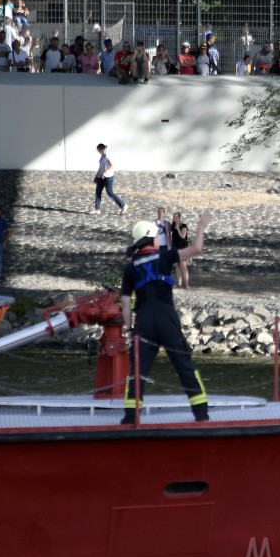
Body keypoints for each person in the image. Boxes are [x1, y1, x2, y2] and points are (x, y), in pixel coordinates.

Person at [120, 213, 214, 424]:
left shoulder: (130, 268)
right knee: (183, 365)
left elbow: (125, 303)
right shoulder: (165, 256)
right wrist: (200, 227)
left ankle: (129, 418)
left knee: (138, 371)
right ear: (153, 239)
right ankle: (201, 416)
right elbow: (196, 249)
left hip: (143, 321)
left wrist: (129, 329)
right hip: (166, 317)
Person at [93, 143, 128, 215]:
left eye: (98, 150)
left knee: (110, 192)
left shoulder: (108, 156)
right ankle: (97, 209)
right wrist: (97, 176)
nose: (98, 151)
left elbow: (112, 166)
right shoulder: (103, 156)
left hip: (108, 177)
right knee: (98, 192)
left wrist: (105, 173)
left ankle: (123, 205)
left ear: (101, 149)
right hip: (100, 177)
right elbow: (101, 167)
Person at [170, 211, 190, 289]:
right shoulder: (172, 227)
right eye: (174, 217)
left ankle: (187, 284)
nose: (175, 218)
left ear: (179, 217)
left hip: (183, 248)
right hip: (175, 248)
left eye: (177, 217)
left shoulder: (183, 226)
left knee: (183, 266)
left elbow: (182, 236)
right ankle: (179, 283)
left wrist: (178, 228)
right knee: (177, 266)